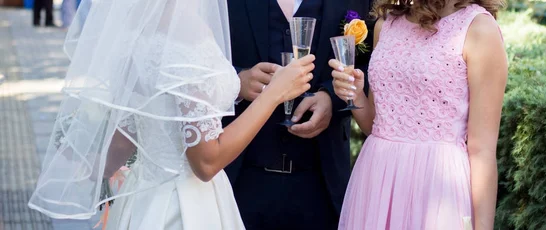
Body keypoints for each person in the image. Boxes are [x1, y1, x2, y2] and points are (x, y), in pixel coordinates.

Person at [27, 0, 315, 229]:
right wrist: (274, 93)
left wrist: (87, 158)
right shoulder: (188, 34)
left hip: (142, 199)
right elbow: (206, 162)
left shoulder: (138, 26)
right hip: (185, 208)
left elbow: (127, 138)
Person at [329, 0, 508, 229]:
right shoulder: (386, 24)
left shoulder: (479, 29)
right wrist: (353, 94)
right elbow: (376, 125)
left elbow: (482, 150)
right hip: (378, 182)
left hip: (437, 190)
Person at [224, 0, 373, 229]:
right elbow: (189, 51)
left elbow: (376, 63)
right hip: (237, 181)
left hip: (321, 182)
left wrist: (331, 97)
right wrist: (235, 82)